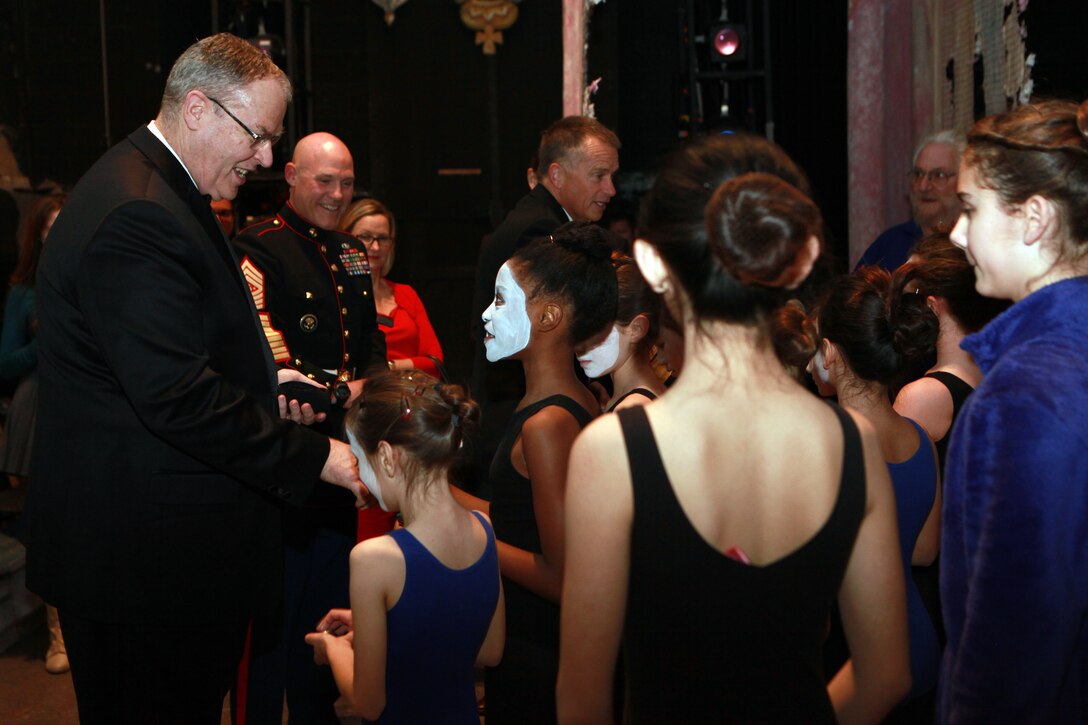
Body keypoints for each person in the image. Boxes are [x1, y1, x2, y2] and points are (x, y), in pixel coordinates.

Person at [23, 33, 363, 724]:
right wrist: (314, 455)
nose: (266, 158)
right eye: (259, 136)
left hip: (157, 556)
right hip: (142, 568)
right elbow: (177, 397)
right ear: (200, 109)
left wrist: (266, 390)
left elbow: (176, 358)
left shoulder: (159, 186)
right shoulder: (138, 211)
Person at [557, 140, 910, 724]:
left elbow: (581, 704)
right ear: (801, 260)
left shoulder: (612, 451)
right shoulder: (853, 446)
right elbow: (886, 676)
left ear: (650, 264)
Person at [938, 98, 1088, 724]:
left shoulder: (1026, 391)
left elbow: (1012, 642)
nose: (955, 233)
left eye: (970, 208)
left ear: (1033, 219)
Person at [231, 131, 388, 724]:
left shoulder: (351, 250)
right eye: (325, 181)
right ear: (292, 175)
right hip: (283, 459)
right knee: (270, 629)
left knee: (327, 616)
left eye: (347, 182)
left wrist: (357, 387)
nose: (337, 193)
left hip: (341, 459)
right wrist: (313, 388)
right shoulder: (257, 245)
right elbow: (266, 346)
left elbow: (371, 343)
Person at [456, 220, 617, 723]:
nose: (487, 313)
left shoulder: (548, 424)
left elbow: (563, 576)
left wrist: (470, 540)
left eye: (502, 301)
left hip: (541, 655)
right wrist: (432, 493)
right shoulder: (565, 399)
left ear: (547, 316)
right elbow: (517, 516)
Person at [305, 370, 505, 723]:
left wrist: (335, 649)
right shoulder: (484, 530)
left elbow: (368, 704)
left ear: (385, 456)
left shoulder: (375, 558)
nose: (359, 477)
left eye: (358, 460)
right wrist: (376, 625)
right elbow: (489, 650)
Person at [812, 267, 942, 710]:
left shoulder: (825, 442)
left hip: (852, 655)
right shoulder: (921, 438)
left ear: (828, 351)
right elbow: (924, 550)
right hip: (919, 646)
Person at [470, 117, 620, 494]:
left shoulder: (544, 220)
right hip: (514, 408)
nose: (611, 189)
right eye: (599, 175)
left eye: (612, 176)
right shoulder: (539, 231)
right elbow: (547, 332)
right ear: (556, 173)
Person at [0, 193, 65, 673]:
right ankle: (57, 638)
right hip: (39, 410)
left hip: (84, 408)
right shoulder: (24, 291)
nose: (59, 233)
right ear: (36, 235)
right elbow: (5, 362)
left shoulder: (89, 275)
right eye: (50, 226)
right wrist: (45, 346)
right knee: (50, 525)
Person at [892, 234, 1008, 471]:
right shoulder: (1006, 378)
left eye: (914, 296)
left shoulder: (924, 397)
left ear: (933, 306)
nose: (909, 309)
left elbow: (894, 497)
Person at [341, 197, 444, 379]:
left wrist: (387, 367)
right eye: (365, 237)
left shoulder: (405, 294)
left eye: (382, 238)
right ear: (345, 239)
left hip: (410, 395)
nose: (375, 246)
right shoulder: (336, 293)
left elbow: (434, 361)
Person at [856, 131, 963, 271]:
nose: (924, 186)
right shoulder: (891, 243)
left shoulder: (974, 246)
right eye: (918, 174)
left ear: (964, 182)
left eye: (939, 175)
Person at [575, 253, 665, 411]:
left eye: (595, 329)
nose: (578, 345)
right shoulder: (633, 402)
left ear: (636, 328)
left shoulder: (631, 412)